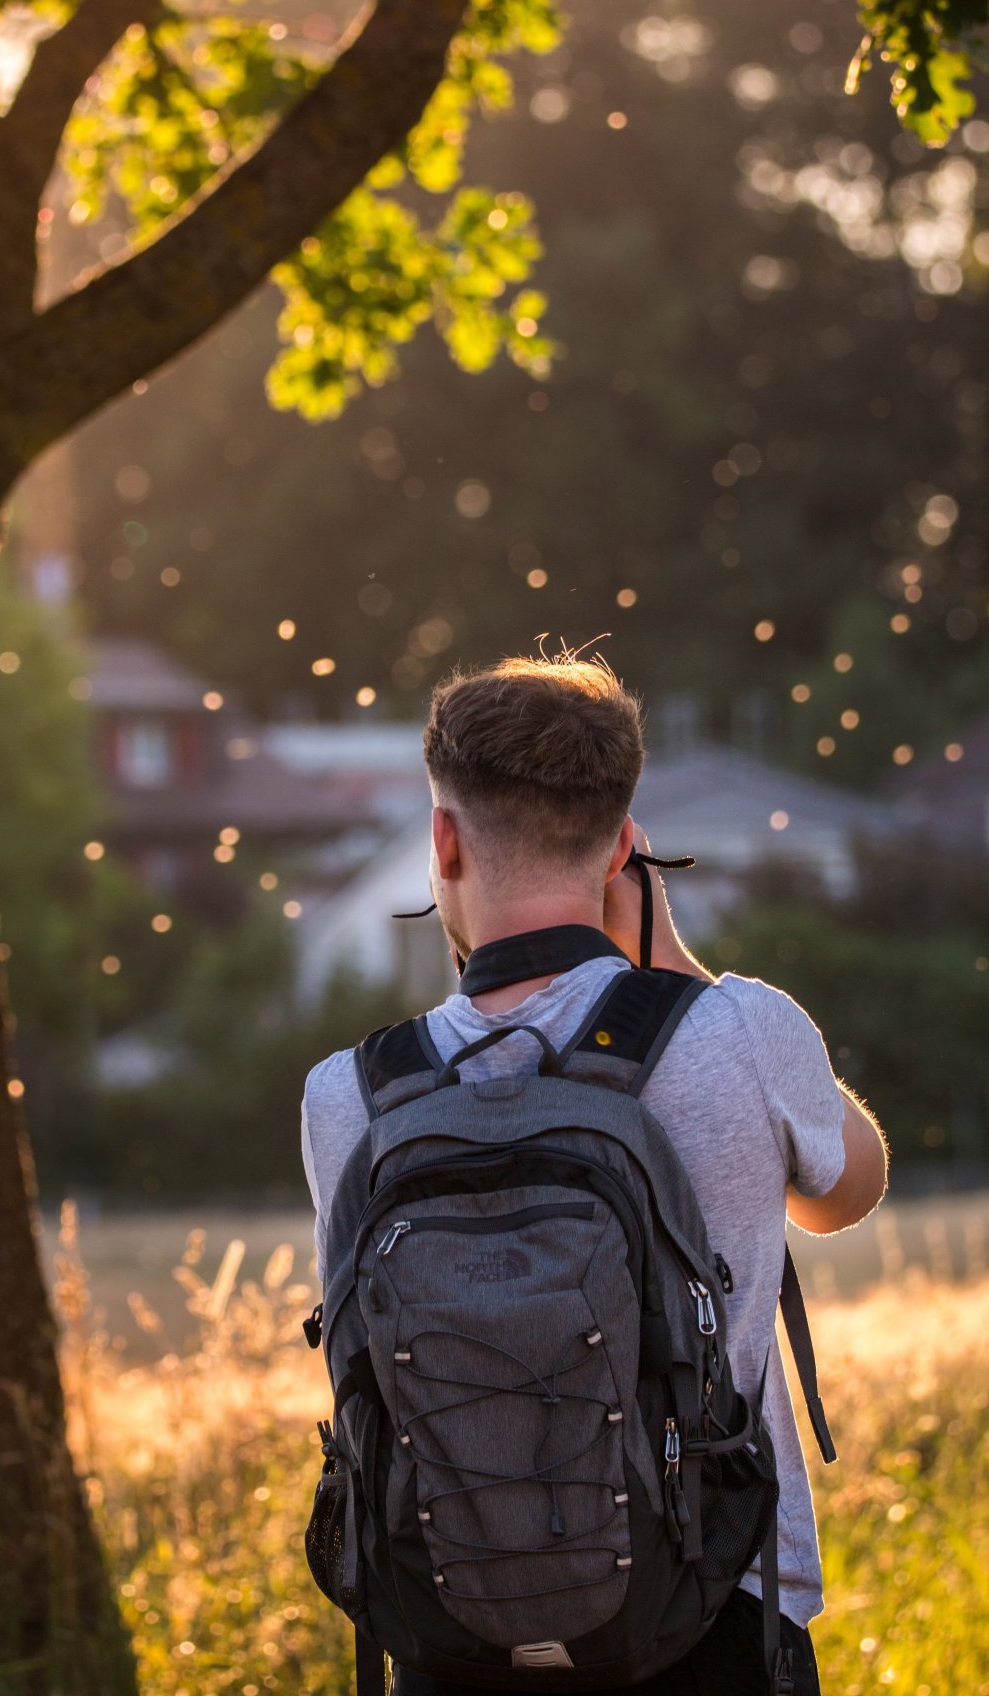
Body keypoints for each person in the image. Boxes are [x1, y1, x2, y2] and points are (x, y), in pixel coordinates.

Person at [301, 652, 888, 1695]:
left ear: (443, 841)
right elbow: (850, 1190)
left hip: (447, 1631)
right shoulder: (743, 1033)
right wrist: (669, 961)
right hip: (712, 1608)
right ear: (624, 847)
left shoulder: (352, 1097)